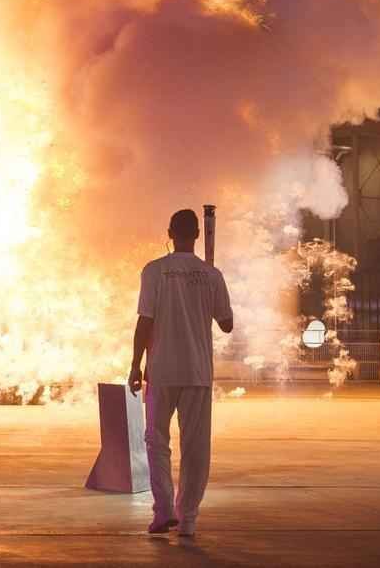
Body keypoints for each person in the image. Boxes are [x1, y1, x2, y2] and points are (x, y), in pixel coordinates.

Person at [128, 209, 233, 538]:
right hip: (198, 372)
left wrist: (135, 364)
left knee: (156, 441)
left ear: (170, 232)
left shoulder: (154, 271)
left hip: (161, 370)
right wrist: (208, 293)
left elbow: (145, 320)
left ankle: (163, 511)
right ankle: (187, 519)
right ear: (198, 235)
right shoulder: (212, 275)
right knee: (196, 447)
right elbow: (227, 324)